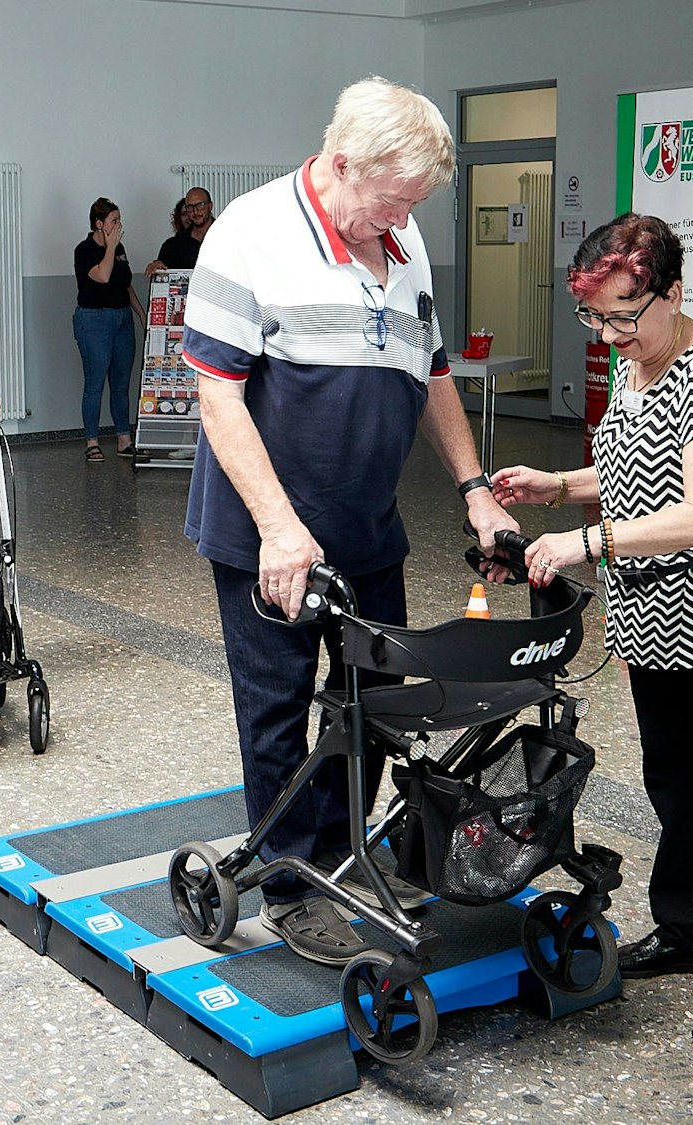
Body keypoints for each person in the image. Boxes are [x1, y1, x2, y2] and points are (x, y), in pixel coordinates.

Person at [183, 77, 514, 967]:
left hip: (368, 527)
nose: (404, 218)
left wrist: (474, 486)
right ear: (339, 163)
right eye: (395, 198)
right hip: (271, 533)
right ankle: (291, 882)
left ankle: (341, 851)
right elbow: (217, 397)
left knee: (374, 706)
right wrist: (281, 528)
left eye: (415, 202)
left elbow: (433, 373)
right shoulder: (248, 234)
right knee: (279, 708)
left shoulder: (401, 246)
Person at [490, 212, 693, 1049]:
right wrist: (558, 483)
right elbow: (638, 464)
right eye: (596, 319)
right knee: (676, 785)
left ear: (673, 292)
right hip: (662, 624)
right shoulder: (639, 368)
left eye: (626, 315)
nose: (611, 335)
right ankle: (690, 928)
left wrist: (583, 540)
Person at [73, 198, 144, 462]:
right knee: (94, 384)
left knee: (121, 383)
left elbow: (124, 283)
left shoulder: (120, 247)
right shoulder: (84, 250)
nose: (119, 225)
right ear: (99, 223)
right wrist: (111, 246)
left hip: (122, 319)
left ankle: (124, 439)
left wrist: (141, 314)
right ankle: (92, 441)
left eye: (119, 220)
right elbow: (102, 276)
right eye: (114, 221)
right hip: (94, 321)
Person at [145, 187, 214, 275]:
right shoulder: (172, 245)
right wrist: (157, 267)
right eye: (190, 207)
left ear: (210, 206)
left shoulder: (229, 236)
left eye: (200, 205)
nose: (195, 212)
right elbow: (162, 272)